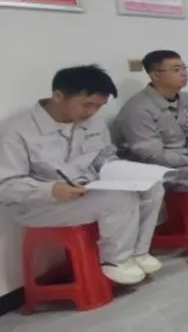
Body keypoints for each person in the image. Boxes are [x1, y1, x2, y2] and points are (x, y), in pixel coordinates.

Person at [0, 65, 165, 285]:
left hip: (87, 191)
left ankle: (139, 252)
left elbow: (104, 156)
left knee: (151, 186)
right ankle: (116, 260)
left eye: (98, 107)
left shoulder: (93, 122)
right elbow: (6, 186)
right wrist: (51, 190)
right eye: (87, 105)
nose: (91, 112)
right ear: (58, 96)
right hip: (41, 204)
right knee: (118, 198)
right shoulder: (16, 131)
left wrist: (120, 170)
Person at [113, 50, 188, 264]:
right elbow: (153, 155)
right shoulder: (138, 109)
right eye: (176, 69)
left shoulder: (186, 100)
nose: (184, 73)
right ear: (155, 75)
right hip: (155, 168)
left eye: (184, 68)